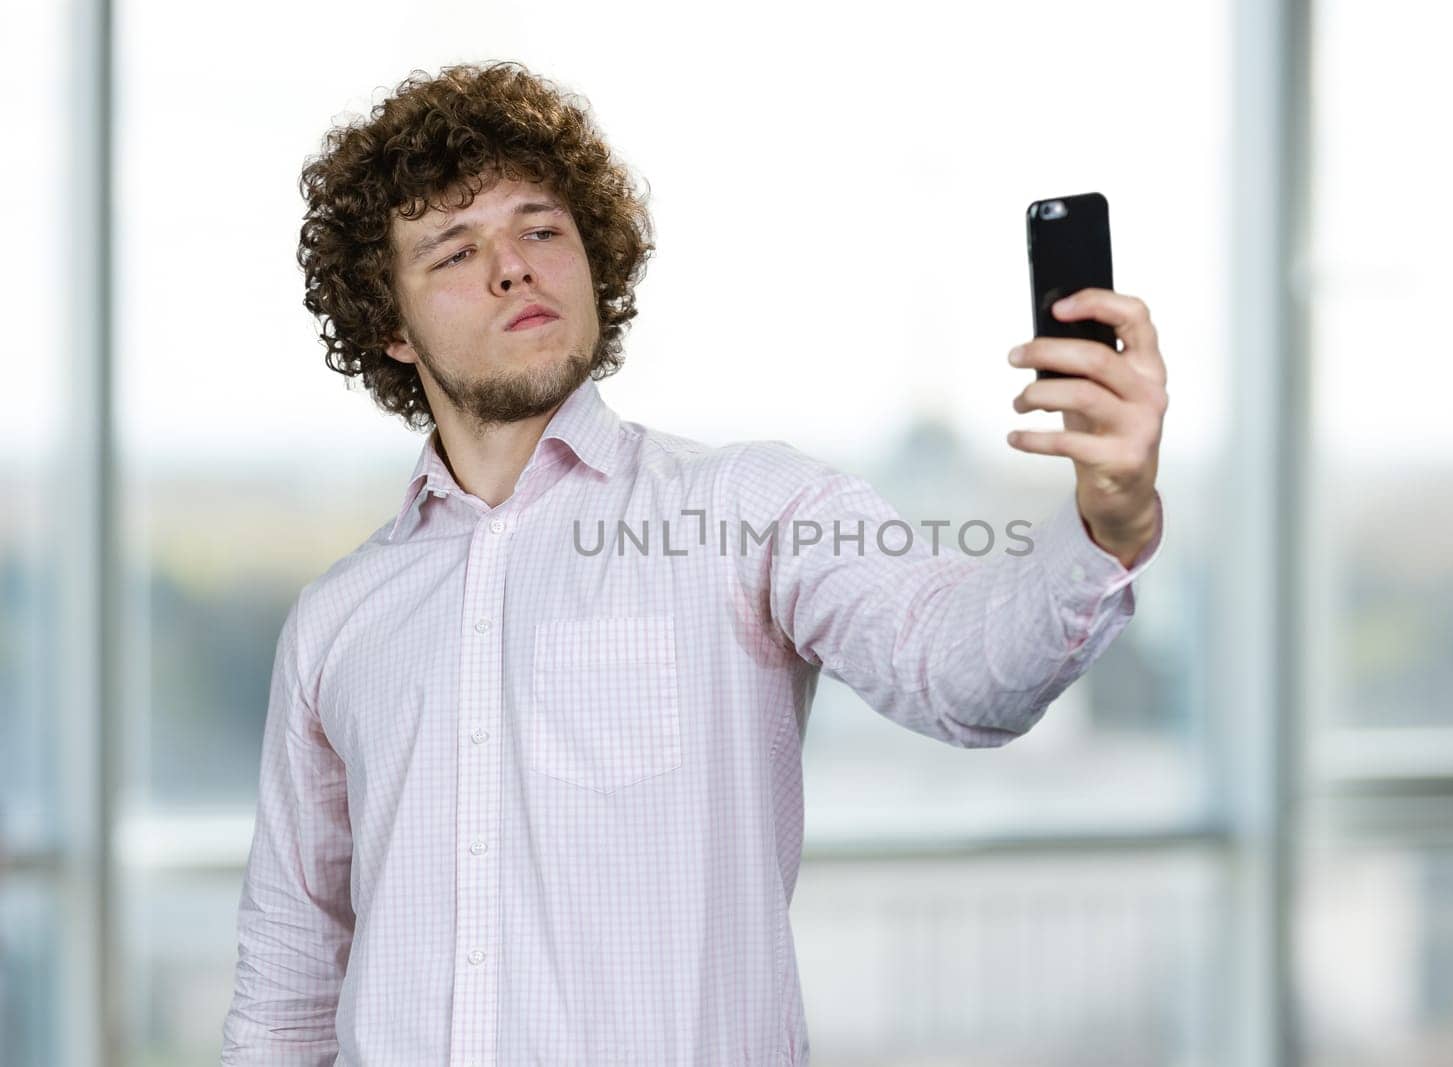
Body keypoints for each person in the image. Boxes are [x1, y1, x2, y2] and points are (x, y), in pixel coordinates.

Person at [219, 59, 1169, 1066]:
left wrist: (1107, 515)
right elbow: (286, 988)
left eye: (541, 229)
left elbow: (964, 669)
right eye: (455, 250)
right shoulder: (338, 621)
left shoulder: (751, 509)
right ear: (388, 327)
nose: (513, 266)